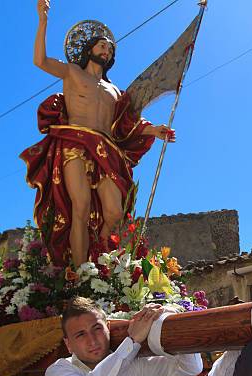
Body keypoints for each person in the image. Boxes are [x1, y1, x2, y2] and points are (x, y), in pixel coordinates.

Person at [21, 0, 175, 268]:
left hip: (106, 149)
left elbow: (125, 125)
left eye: (109, 48)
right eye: (102, 45)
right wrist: (43, 21)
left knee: (114, 211)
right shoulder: (72, 72)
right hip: (74, 143)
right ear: (89, 48)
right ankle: (80, 276)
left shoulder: (116, 92)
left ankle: (97, 255)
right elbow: (40, 60)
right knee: (79, 207)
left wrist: (154, 130)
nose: (106, 50)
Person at [45, 297, 202, 376]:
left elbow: (190, 368)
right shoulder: (58, 371)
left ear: (108, 327)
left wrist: (165, 315)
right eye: (80, 334)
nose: (92, 340)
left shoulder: (135, 365)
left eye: (97, 328)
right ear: (68, 345)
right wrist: (132, 341)